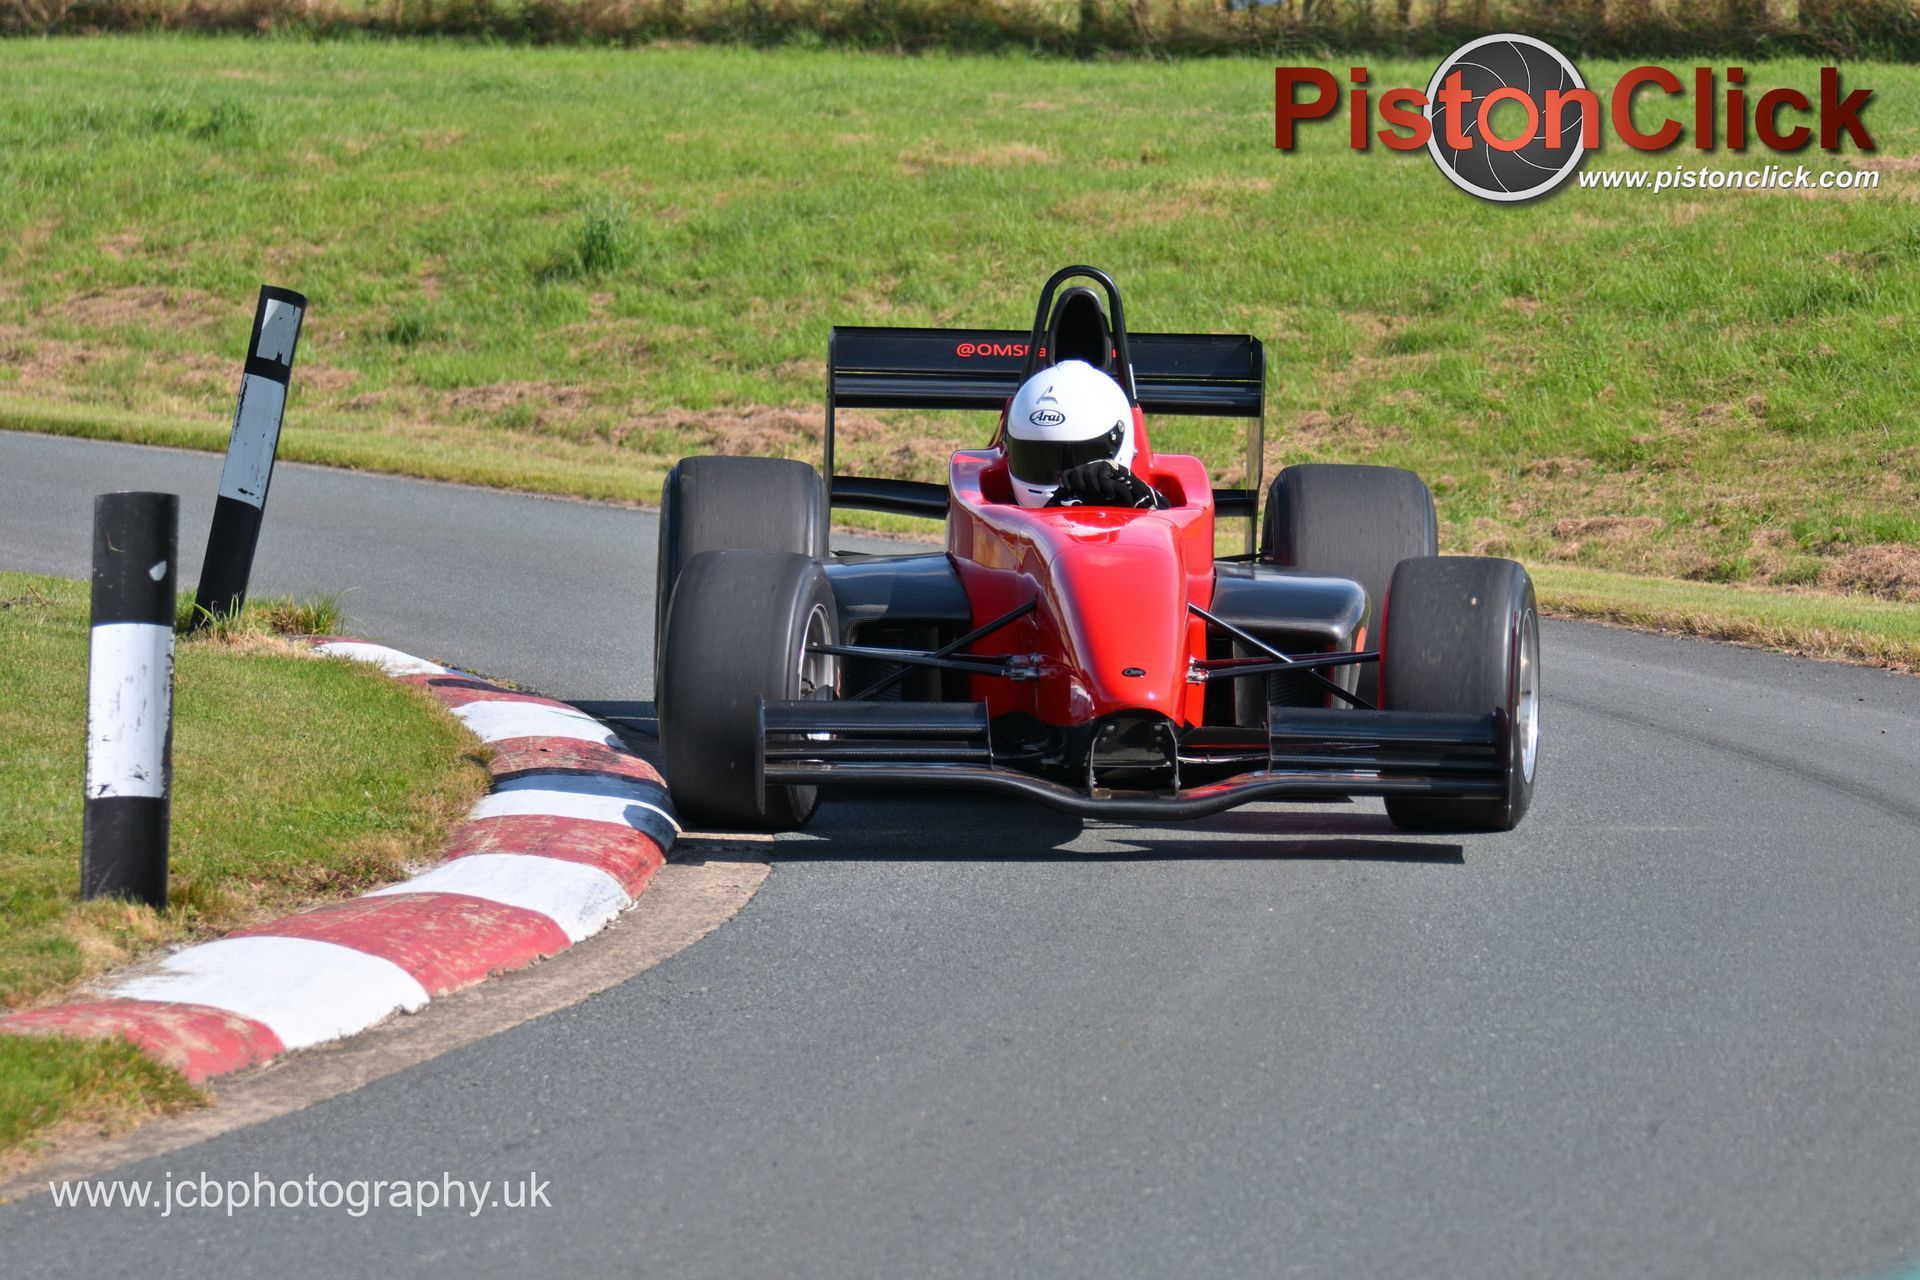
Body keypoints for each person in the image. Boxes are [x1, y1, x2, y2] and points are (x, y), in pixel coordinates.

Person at [1003, 360, 1169, 510]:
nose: (1063, 480)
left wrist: (1150, 514)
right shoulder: (982, 501)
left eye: (1070, 463)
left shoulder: (1140, 499)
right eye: (1035, 459)